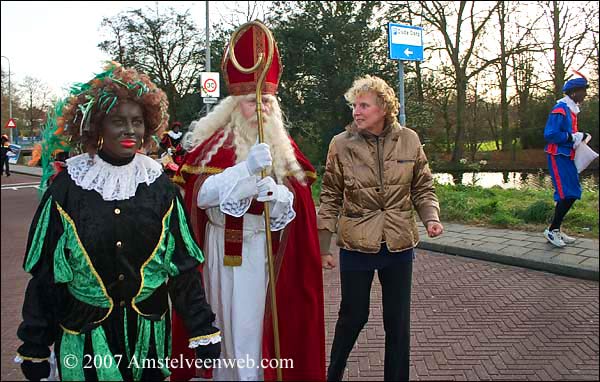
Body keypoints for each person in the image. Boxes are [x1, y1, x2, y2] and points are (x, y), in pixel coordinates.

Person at [15, 62, 221, 381]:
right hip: (84, 337)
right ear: (96, 127)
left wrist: (201, 328)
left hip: (147, 338)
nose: (130, 130)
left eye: (137, 122)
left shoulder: (160, 187)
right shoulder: (68, 188)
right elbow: (46, 275)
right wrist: (35, 343)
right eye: (118, 121)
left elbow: (181, 268)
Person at [170, 21, 326, 381]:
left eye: (267, 101)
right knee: (223, 321)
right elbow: (200, 197)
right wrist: (242, 174)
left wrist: (281, 197)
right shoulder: (210, 148)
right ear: (232, 104)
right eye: (251, 102)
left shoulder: (286, 153)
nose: (260, 108)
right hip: (219, 256)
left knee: (255, 331)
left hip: (263, 259)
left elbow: (299, 211)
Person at [318, 75, 444, 381]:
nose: (356, 112)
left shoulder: (410, 140)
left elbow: (422, 187)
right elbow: (330, 195)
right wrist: (324, 246)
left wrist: (430, 217)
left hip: (399, 244)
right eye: (354, 105)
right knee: (353, 316)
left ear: (383, 108)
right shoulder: (340, 144)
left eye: (364, 105)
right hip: (356, 245)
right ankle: (333, 374)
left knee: (397, 322)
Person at [542, 72, 591, 248]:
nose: (585, 94)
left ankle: (555, 228)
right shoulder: (560, 109)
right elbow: (550, 134)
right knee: (567, 192)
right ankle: (552, 230)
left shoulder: (571, 110)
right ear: (573, 92)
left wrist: (579, 137)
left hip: (567, 155)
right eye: (583, 91)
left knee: (572, 191)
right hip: (558, 156)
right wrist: (574, 137)